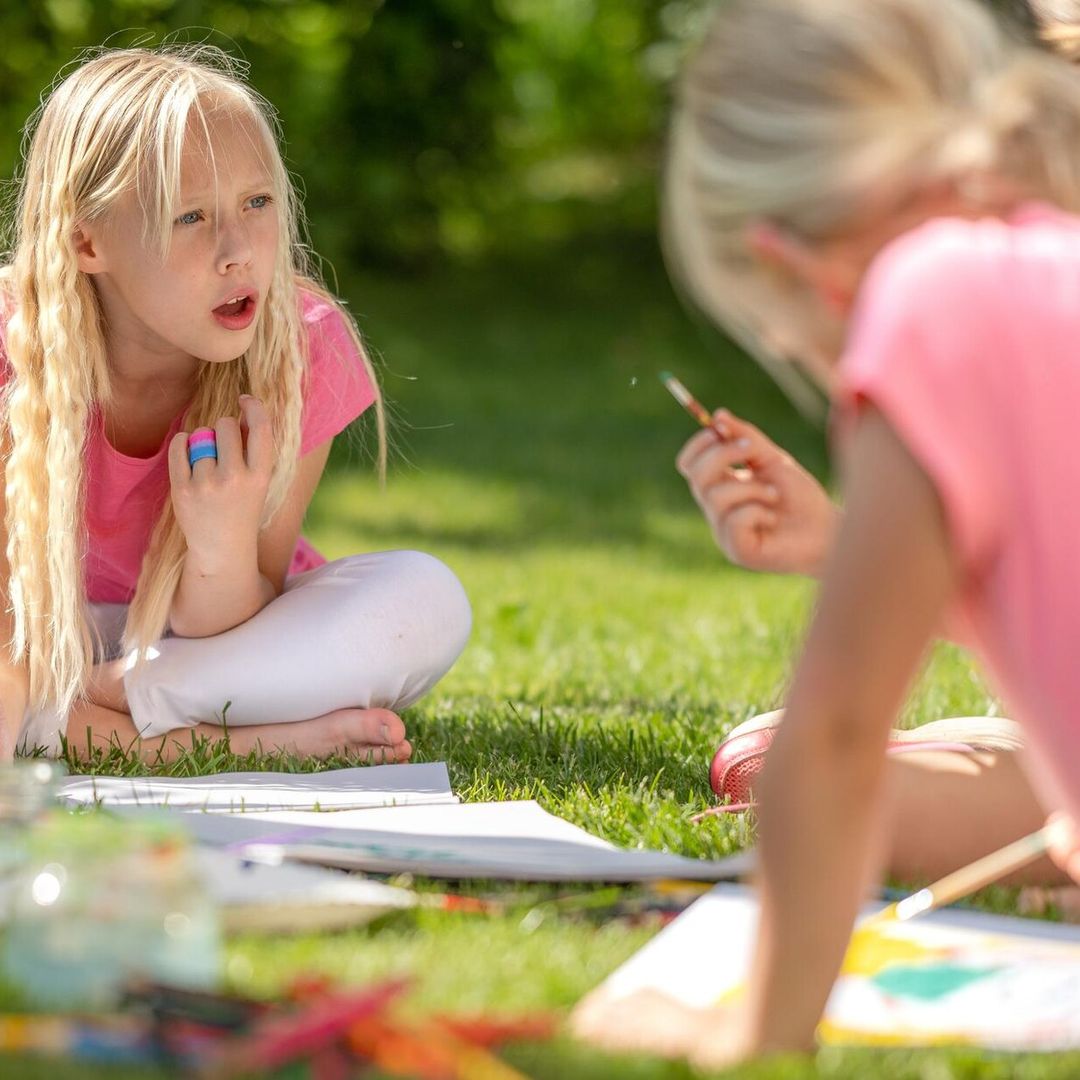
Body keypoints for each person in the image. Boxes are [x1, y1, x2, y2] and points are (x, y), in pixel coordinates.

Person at [576, 0, 1080, 1064]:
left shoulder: (936, 295)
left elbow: (837, 742)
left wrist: (748, 1035)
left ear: (793, 264)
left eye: (785, 338)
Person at [0, 46, 472, 765]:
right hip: (34, 633)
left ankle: (103, 708)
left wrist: (221, 548)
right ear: (84, 240)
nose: (238, 251)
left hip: (195, 648)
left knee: (424, 599)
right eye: (190, 216)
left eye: (257, 203)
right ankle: (206, 742)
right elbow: (12, 635)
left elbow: (227, 621)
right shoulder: (15, 341)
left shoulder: (301, 345)